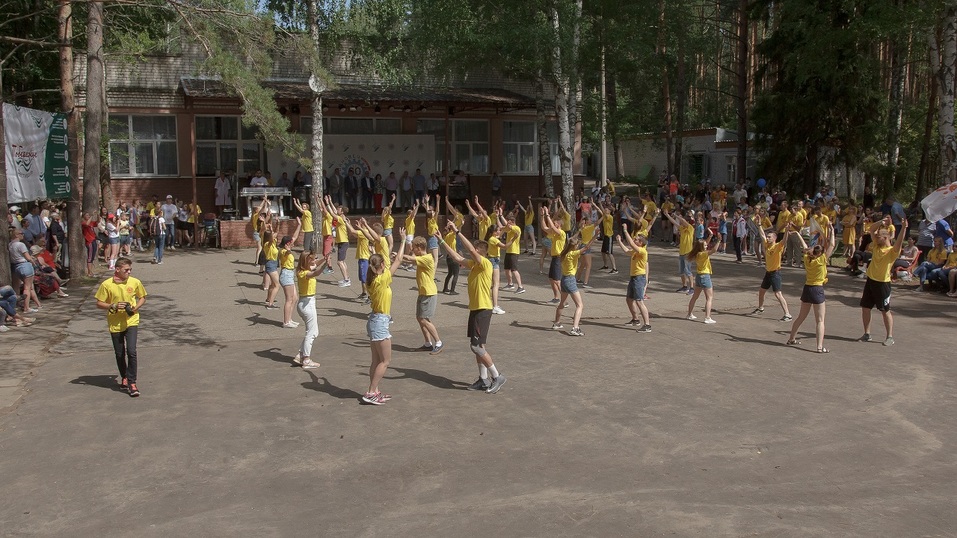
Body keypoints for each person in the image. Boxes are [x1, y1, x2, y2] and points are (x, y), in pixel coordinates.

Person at [437, 221, 507, 394]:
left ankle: (497, 376)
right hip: (475, 309)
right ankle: (483, 380)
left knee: (476, 347)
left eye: (474, 250)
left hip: (483, 309)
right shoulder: (474, 265)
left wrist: (458, 232)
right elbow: (457, 258)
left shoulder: (485, 264)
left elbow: (469, 251)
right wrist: (442, 241)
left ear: (479, 252)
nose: (471, 252)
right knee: (477, 345)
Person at [361, 228, 408, 405]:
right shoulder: (382, 279)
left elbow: (386, 259)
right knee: (386, 361)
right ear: (381, 266)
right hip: (379, 322)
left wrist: (375, 251)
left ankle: (375, 390)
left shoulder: (371, 279)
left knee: (376, 360)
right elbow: (399, 260)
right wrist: (402, 240)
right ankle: (371, 391)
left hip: (375, 320)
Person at [94, 257, 147, 397]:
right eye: (126, 270)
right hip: (115, 322)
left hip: (131, 320)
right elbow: (99, 303)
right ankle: (124, 376)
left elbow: (142, 297)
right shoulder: (107, 285)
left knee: (131, 351)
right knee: (119, 353)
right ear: (117, 270)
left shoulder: (135, 282)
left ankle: (132, 382)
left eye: (130, 270)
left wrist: (135, 308)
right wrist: (112, 305)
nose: (129, 272)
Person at [859, 216, 908, 346]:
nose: (875, 237)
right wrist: (882, 222)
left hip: (882, 284)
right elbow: (871, 229)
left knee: (885, 310)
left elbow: (899, 241)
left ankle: (889, 336)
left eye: (878, 236)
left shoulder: (892, 251)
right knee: (865, 308)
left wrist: (903, 227)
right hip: (870, 281)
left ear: (885, 238)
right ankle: (867, 334)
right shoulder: (876, 246)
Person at [785, 231, 830, 352]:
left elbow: (804, 247)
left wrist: (798, 234)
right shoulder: (821, 260)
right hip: (817, 289)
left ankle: (791, 338)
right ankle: (819, 347)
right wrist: (827, 231)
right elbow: (831, 244)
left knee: (801, 317)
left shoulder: (807, 258)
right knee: (820, 320)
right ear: (820, 253)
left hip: (807, 289)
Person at [400, 236, 444, 354]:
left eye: (414, 248)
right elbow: (410, 260)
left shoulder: (427, 258)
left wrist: (400, 255)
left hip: (429, 293)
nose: (413, 250)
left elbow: (410, 258)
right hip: (423, 292)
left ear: (419, 248)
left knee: (424, 319)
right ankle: (427, 343)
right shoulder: (421, 258)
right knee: (420, 318)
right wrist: (399, 258)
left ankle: (438, 342)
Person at [551, 234, 594, 336]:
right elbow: (587, 247)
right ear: (574, 246)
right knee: (580, 305)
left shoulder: (564, 253)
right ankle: (575, 328)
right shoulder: (573, 254)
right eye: (577, 245)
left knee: (562, 303)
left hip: (564, 279)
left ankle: (556, 323)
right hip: (570, 280)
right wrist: (595, 236)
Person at [751, 225, 792, 321]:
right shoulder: (767, 245)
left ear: (774, 238)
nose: (767, 238)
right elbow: (762, 235)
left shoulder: (778, 246)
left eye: (770, 237)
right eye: (768, 237)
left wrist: (786, 231)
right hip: (768, 273)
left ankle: (787, 314)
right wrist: (760, 224)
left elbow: (784, 241)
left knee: (778, 294)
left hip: (775, 273)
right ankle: (761, 308)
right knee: (761, 291)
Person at [617, 224, 652, 331]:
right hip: (633, 278)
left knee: (639, 301)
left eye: (636, 239)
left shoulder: (642, 251)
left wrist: (625, 231)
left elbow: (631, 244)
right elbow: (627, 251)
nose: (634, 239)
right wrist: (619, 242)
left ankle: (647, 325)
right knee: (629, 299)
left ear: (640, 243)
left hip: (639, 278)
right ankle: (635, 319)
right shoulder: (636, 251)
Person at [293, 252, 323, 370]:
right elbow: (316, 272)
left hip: (305, 303)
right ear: (307, 261)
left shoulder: (301, 270)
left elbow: (316, 265)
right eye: (312, 259)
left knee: (311, 331)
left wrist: (325, 259)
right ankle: (306, 359)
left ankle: (300, 355)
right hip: (307, 304)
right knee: (312, 332)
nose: (315, 260)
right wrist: (326, 266)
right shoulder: (304, 273)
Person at [686, 233, 719, 324]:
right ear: (702, 247)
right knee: (709, 298)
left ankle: (689, 314)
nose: (706, 245)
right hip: (705, 276)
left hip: (699, 277)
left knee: (695, 297)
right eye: (705, 245)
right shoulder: (703, 254)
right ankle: (707, 317)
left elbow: (704, 244)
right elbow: (714, 250)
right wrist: (719, 241)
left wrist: (709, 237)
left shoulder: (697, 253)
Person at [9, 228, 41, 313]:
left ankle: (15, 305)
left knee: (16, 287)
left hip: (15, 266)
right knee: (27, 287)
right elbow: (27, 257)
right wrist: (34, 263)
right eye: (21, 233)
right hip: (24, 265)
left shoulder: (10, 245)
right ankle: (26, 307)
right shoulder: (20, 244)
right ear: (16, 235)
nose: (22, 235)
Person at [278, 218, 302, 328]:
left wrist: (299, 225)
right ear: (287, 244)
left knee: (295, 298)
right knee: (289, 299)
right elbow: (286, 253)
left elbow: (295, 236)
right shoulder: (283, 251)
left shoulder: (287, 247)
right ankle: (286, 322)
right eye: (290, 243)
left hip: (290, 274)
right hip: (286, 275)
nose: (293, 243)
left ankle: (290, 319)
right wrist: (288, 250)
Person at [664, 209, 695, 294]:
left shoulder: (690, 228)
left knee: (688, 270)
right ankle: (684, 286)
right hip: (681, 252)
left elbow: (683, 221)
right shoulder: (682, 229)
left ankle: (692, 288)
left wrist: (677, 215)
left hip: (688, 252)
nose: (681, 223)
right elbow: (674, 222)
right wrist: (668, 215)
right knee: (681, 271)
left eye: (682, 222)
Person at [540, 206, 566, 304]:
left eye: (555, 222)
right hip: (554, 258)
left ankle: (564, 301)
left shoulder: (561, 233)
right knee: (551, 279)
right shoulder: (554, 233)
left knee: (557, 280)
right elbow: (544, 227)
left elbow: (553, 228)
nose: (553, 223)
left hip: (558, 258)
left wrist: (547, 215)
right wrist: (542, 215)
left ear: (559, 224)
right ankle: (556, 298)